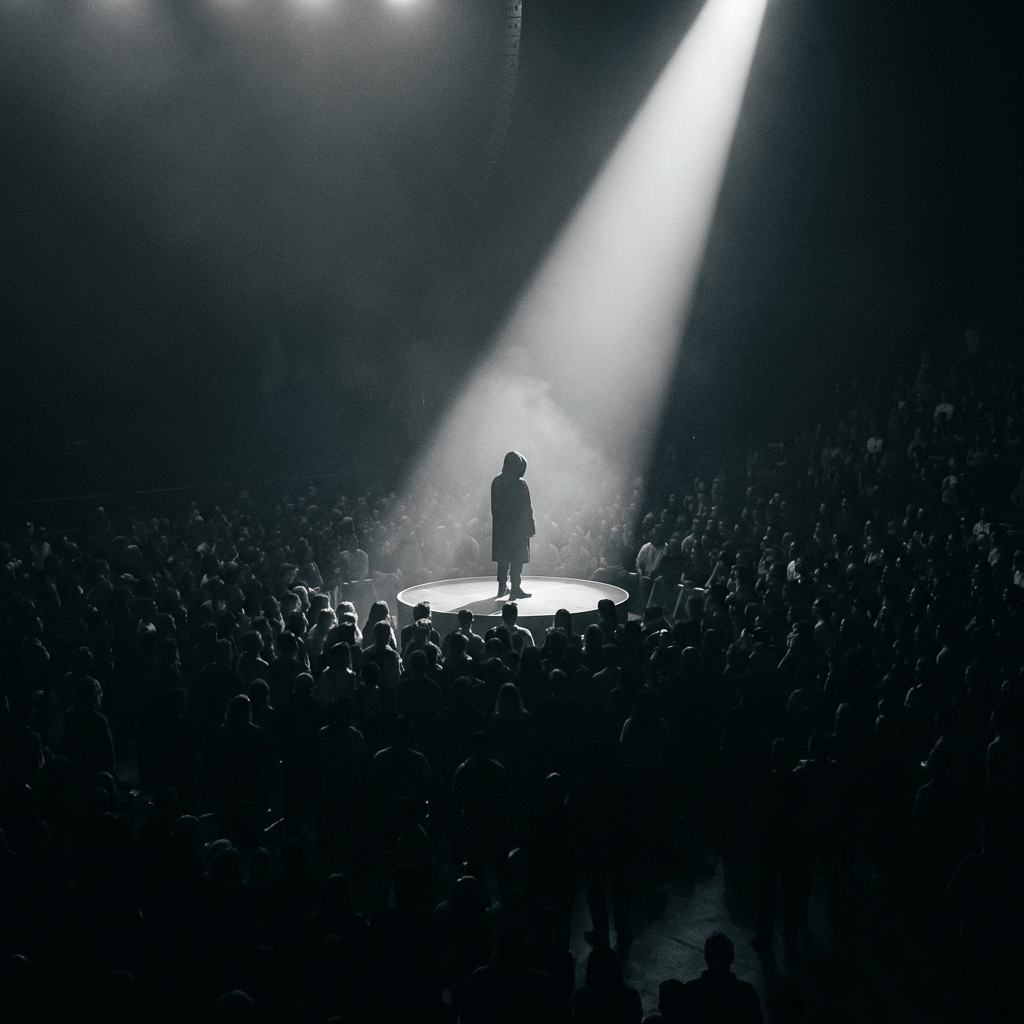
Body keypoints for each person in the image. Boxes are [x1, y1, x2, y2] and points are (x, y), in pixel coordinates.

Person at [491, 450, 536, 600]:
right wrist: (530, 527)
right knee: (517, 559)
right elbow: (527, 508)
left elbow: (495, 508)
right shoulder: (520, 484)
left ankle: (502, 587)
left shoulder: (496, 482)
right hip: (518, 530)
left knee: (503, 559)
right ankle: (515, 588)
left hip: (501, 529)